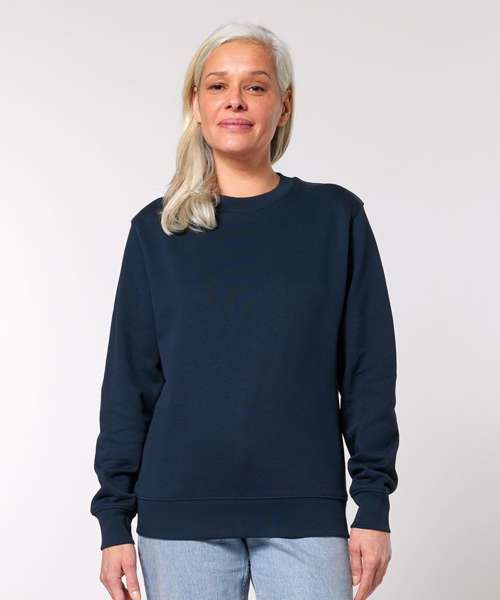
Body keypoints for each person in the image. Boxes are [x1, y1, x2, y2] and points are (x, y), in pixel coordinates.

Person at [90, 21, 400, 600]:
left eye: (256, 86)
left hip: (306, 511)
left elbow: (367, 371)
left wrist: (373, 506)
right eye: (218, 86)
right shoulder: (157, 231)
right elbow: (129, 382)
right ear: (196, 104)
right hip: (179, 515)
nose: (235, 100)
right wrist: (114, 521)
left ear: (284, 106)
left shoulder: (335, 219)